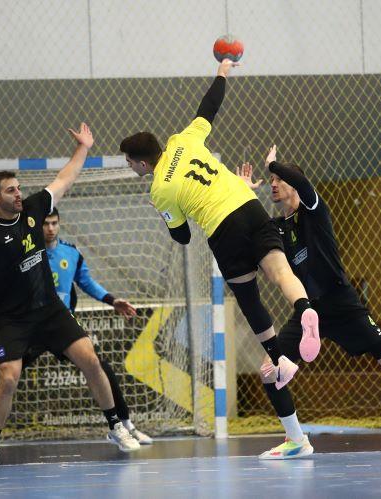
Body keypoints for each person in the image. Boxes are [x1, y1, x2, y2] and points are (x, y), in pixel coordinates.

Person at [234, 146, 381, 459]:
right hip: (308, 310)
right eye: (271, 180)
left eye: (279, 179)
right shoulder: (277, 228)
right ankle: (297, 440)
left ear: (293, 182)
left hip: (342, 302)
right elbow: (253, 227)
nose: (273, 184)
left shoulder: (313, 210)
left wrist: (273, 165)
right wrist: (244, 193)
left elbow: (304, 184)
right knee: (270, 370)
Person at [119, 59, 319, 390]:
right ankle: (304, 308)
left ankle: (279, 357)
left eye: (130, 163)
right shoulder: (182, 140)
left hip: (224, 229)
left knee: (249, 298)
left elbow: (182, 236)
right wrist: (222, 72)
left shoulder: (160, 189)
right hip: (249, 205)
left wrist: (162, 212)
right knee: (282, 273)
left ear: (142, 163)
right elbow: (209, 107)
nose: (130, 168)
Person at [0, 123, 140, 469]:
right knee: (7, 377)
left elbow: (65, 179)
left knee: (90, 359)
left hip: (49, 310)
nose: (18, 194)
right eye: (10, 190)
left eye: (18, 188)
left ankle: (116, 425)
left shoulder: (34, 209)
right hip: (12, 319)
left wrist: (83, 147)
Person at [0, 207, 153, 451]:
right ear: (37, 225)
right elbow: (8, 283)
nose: (50, 229)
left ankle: (124, 425)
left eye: (54, 223)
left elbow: (86, 282)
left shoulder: (71, 253)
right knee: (3, 378)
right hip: (28, 326)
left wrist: (112, 300)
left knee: (98, 366)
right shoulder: (26, 250)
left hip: (58, 324)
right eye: (46, 224)